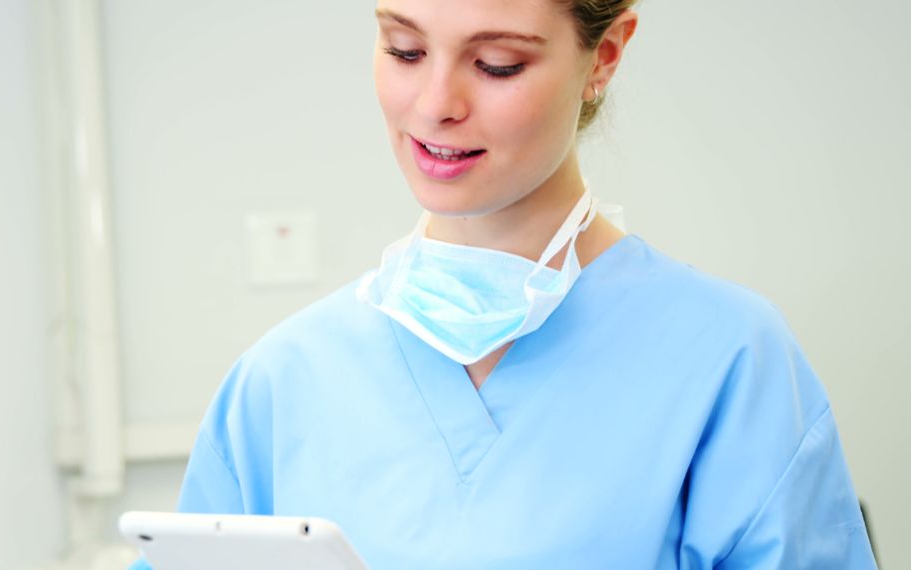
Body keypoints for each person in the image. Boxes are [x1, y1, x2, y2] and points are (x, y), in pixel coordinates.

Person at [132, 0, 877, 568]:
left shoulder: (728, 363)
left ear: (605, 56)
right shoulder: (281, 383)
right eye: (405, 48)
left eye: (496, 65)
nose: (435, 105)